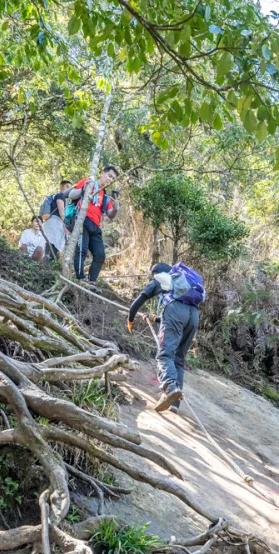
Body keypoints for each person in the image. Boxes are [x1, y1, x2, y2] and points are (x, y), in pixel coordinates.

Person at [127, 261, 205, 412]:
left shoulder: (160, 278)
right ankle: (174, 404)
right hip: (193, 315)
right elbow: (180, 315)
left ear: (156, 273)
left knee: (165, 355)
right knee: (179, 360)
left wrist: (130, 320)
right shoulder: (181, 281)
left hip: (175, 311)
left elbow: (137, 303)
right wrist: (154, 318)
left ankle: (169, 388)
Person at [66, 166, 120, 284]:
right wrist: (84, 189)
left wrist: (116, 208)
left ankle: (91, 280)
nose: (110, 180)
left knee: (100, 254)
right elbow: (71, 194)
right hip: (82, 219)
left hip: (95, 225)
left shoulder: (105, 195)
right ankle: (80, 277)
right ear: (102, 173)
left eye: (113, 179)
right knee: (82, 249)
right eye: (109, 176)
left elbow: (110, 214)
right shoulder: (89, 182)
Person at [40, 180, 71, 260]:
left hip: (49, 224)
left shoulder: (54, 195)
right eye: (67, 187)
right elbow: (61, 209)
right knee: (52, 249)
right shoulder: (60, 195)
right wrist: (65, 224)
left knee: (49, 247)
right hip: (54, 224)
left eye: (70, 188)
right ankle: (47, 268)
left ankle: (46, 267)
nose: (68, 189)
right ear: (61, 186)